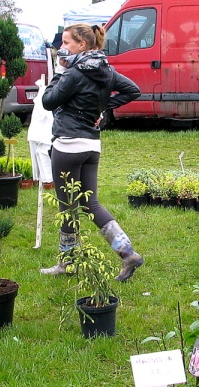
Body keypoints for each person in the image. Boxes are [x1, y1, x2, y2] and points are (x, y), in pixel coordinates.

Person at [41, 23, 143, 281]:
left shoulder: (73, 72)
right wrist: (100, 106)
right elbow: (133, 90)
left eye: (66, 42)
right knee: (91, 203)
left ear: (82, 45)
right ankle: (128, 253)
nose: (62, 47)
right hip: (91, 146)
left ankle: (67, 262)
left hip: (67, 145)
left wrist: (60, 71)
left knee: (67, 207)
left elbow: (48, 101)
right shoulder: (106, 69)